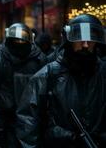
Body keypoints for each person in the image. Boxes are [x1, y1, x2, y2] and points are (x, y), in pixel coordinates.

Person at [17, 14, 106, 148]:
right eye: (79, 39)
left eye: (90, 40)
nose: (86, 45)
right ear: (69, 41)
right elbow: (28, 123)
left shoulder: (103, 73)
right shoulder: (47, 76)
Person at [0, 23, 47, 148]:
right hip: (8, 119)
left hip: (34, 118)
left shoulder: (39, 59)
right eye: (16, 41)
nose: (19, 43)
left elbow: (46, 92)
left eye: (22, 41)